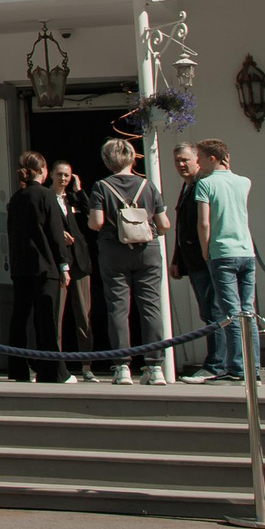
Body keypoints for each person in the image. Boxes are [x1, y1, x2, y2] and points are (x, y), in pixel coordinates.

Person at [85, 138, 171, 386]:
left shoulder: (101, 187)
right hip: (147, 249)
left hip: (114, 249)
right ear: (133, 158)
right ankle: (155, 367)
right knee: (151, 306)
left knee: (118, 308)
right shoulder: (148, 185)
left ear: (107, 161)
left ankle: (122, 366)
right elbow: (164, 224)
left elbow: (96, 222)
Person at [4, 150, 73, 385]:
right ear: (43, 171)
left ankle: (18, 368)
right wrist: (63, 265)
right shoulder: (46, 196)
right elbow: (55, 233)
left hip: (21, 266)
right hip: (45, 267)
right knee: (46, 319)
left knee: (20, 317)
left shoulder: (16, 198)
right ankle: (52, 370)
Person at [193, 140, 257, 382]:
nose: (197, 161)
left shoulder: (205, 184)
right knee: (248, 312)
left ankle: (239, 368)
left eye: (200, 156)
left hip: (222, 253)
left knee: (231, 313)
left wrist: (205, 249)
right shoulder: (244, 182)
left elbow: (204, 222)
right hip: (246, 251)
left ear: (212, 158)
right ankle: (254, 368)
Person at [169, 144, 220, 382]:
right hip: (193, 262)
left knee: (214, 312)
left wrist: (208, 256)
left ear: (197, 161)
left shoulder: (204, 184)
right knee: (208, 312)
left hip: (206, 261)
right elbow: (182, 226)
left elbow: (206, 224)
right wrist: (177, 260)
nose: (181, 165)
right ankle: (217, 362)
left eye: (185, 160)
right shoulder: (187, 186)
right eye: (178, 160)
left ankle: (217, 364)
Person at [49, 160, 96, 380]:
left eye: (67, 175)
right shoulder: (47, 197)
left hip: (80, 263)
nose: (63, 179)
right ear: (51, 174)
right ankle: (58, 365)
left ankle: (87, 365)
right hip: (59, 264)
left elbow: (91, 217)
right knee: (56, 316)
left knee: (84, 316)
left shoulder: (73, 199)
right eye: (60, 174)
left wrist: (79, 190)